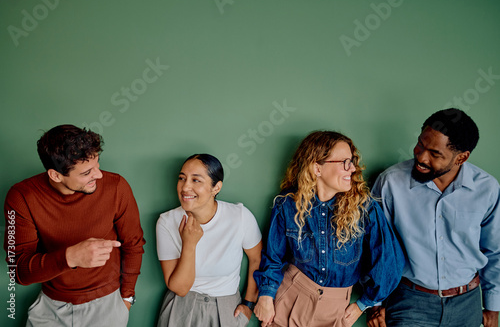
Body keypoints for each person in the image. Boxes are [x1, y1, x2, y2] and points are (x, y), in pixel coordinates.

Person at [253, 131, 404, 327]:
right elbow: (273, 256)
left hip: (336, 310)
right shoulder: (288, 204)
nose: (352, 168)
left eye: (352, 161)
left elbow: (388, 261)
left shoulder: (365, 208)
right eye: (344, 162)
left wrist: (363, 304)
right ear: (317, 168)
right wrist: (266, 296)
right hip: (290, 300)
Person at [368, 108, 500, 327]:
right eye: (420, 144)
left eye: (435, 153)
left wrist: (493, 309)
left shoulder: (487, 189)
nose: (421, 157)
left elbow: (495, 251)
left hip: (467, 304)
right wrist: (375, 303)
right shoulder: (390, 183)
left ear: (462, 157)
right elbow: (375, 247)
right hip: (409, 303)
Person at [3, 124, 145, 327]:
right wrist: (71, 257)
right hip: (50, 308)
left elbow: (133, 245)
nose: (99, 175)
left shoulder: (116, 187)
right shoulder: (21, 197)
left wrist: (127, 299)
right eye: (87, 172)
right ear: (56, 175)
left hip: (108, 307)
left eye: (97, 165)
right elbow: (17, 270)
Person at [156, 153, 263, 326]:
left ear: (216, 187)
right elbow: (180, 288)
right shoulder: (167, 222)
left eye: (196, 180)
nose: (185, 187)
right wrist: (189, 244)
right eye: (182, 178)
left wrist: (249, 303)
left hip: (227, 308)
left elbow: (257, 258)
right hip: (181, 309)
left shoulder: (240, 216)